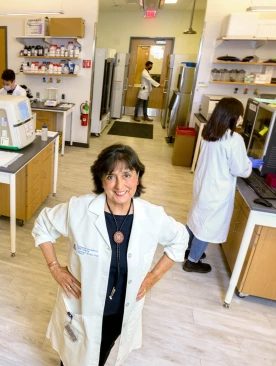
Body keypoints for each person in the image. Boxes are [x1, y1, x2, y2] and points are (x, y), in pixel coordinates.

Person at [32, 144, 188, 366]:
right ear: (101, 180)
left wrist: (153, 277)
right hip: (81, 307)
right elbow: (43, 226)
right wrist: (54, 267)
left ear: (137, 177)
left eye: (127, 175)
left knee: (100, 355)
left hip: (118, 312)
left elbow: (180, 238)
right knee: (72, 355)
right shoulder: (79, 210)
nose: (119, 185)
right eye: (111, 176)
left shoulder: (152, 216)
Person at [184, 97, 262, 273]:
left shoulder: (209, 132)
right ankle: (192, 261)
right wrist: (249, 163)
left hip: (203, 185)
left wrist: (244, 160)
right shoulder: (234, 139)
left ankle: (186, 248)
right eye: (240, 116)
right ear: (232, 117)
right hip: (216, 190)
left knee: (196, 217)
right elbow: (240, 170)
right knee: (207, 225)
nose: (241, 119)